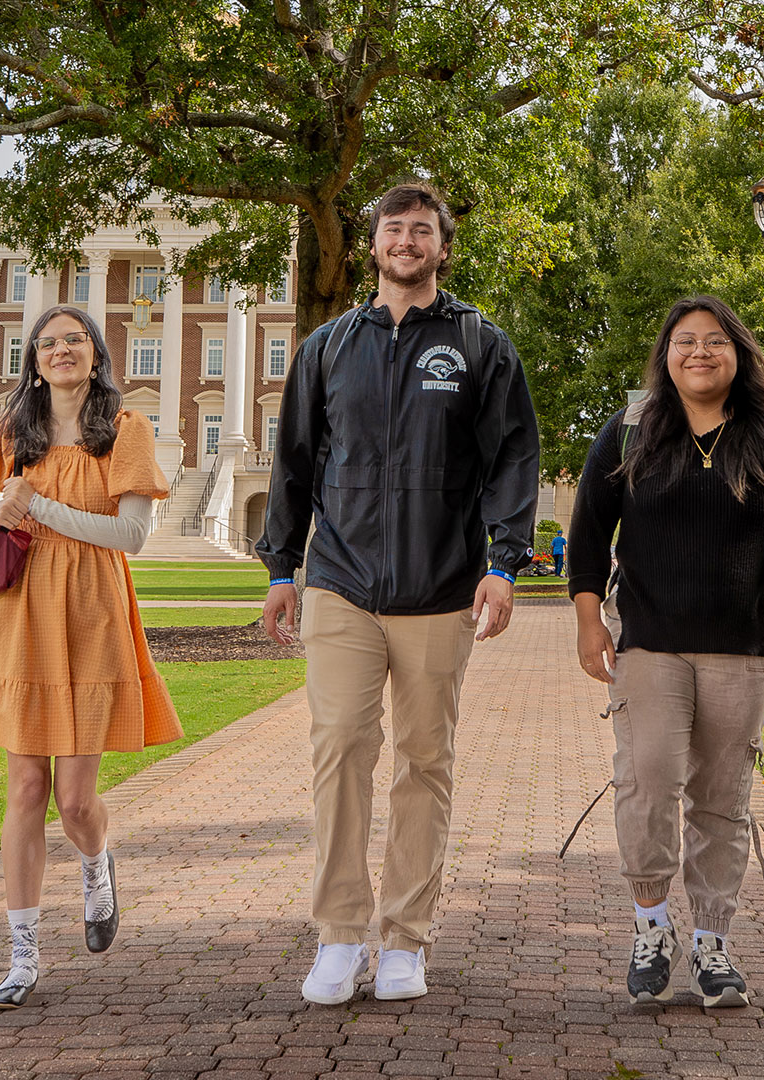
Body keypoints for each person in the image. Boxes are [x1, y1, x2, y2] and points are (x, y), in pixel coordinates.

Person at [258, 182, 541, 1005]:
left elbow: (514, 462)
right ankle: (340, 938)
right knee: (340, 750)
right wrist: (282, 568)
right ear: (374, 245)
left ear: (443, 248)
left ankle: (406, 940)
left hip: (441, 588)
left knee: (425, 762)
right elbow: (295, 464)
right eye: (394, 229)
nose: (407, 240)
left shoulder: (481, 345)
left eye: (422, 230)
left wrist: (504, 561)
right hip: (340, 584)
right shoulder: (327, 348)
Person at [567, 294, 764, 1009]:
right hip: (652, 645)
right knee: (648, 782)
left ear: (739, 354)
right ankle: (652, 926)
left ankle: (713, 943)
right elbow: (588, 531)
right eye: (685, 340)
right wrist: (588, 618)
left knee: (723, 801)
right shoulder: (632, 432)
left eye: (715, 341)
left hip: (743, 648)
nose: (700, 352)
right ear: (666, 355)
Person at [0, 304, 179, 1010]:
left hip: (93, 613)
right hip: (22, 613)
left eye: (73, 340)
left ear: (96, 354)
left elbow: (130, 534)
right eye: (46, 344)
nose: (60, 351)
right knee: (24, 790)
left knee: (75, 803)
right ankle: (21, 954)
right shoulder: (12, 431)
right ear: (34, 360)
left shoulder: (125, 429)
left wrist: (35, 505)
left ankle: (97, 866)